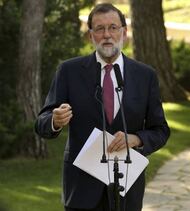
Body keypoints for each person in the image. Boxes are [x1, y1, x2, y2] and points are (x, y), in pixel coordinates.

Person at [35, 3, 170, 211]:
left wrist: (137, 139)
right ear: (91, 36)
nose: (107, 35)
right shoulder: (69, 71)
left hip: (127, 189)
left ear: (124, 33)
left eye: (113, 27)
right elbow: (42, 122)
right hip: (81, 190)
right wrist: (54, 120)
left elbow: (160, 130)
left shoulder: (145, 76)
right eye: (99, 29)